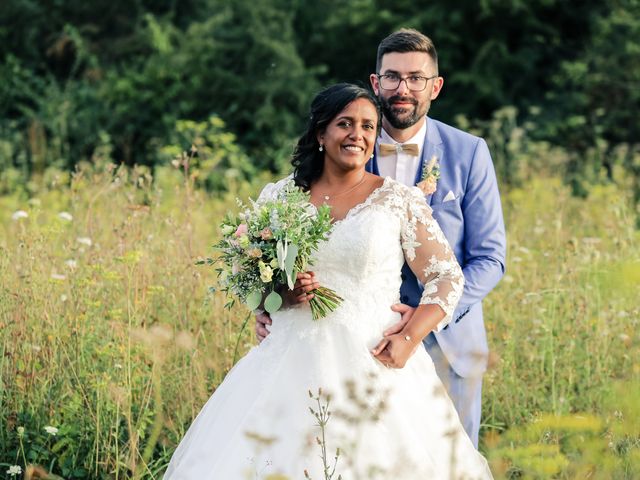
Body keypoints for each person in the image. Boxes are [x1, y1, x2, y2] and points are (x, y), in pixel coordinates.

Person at [164, 83, 493, 479]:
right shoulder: (279, 198)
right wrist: (280, 296)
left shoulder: (398, 200)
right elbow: (255, 279)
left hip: (375, 361)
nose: (358, 134)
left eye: (369, 126)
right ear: (321, 133)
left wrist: (409, 337)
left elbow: (445, 276)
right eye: (345, 124)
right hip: (289, 359)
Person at [256, 29, 506, 448]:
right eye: (392, 77)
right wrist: (271, 302)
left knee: (443, 461)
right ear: (376, 82)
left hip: (447, 342)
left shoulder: (470, 152)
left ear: (435, 86)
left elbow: (489, 258)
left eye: (416, 78)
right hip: (342, 344)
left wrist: (424, 315)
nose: (403, 88)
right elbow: (283, 254)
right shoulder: (347, 143)